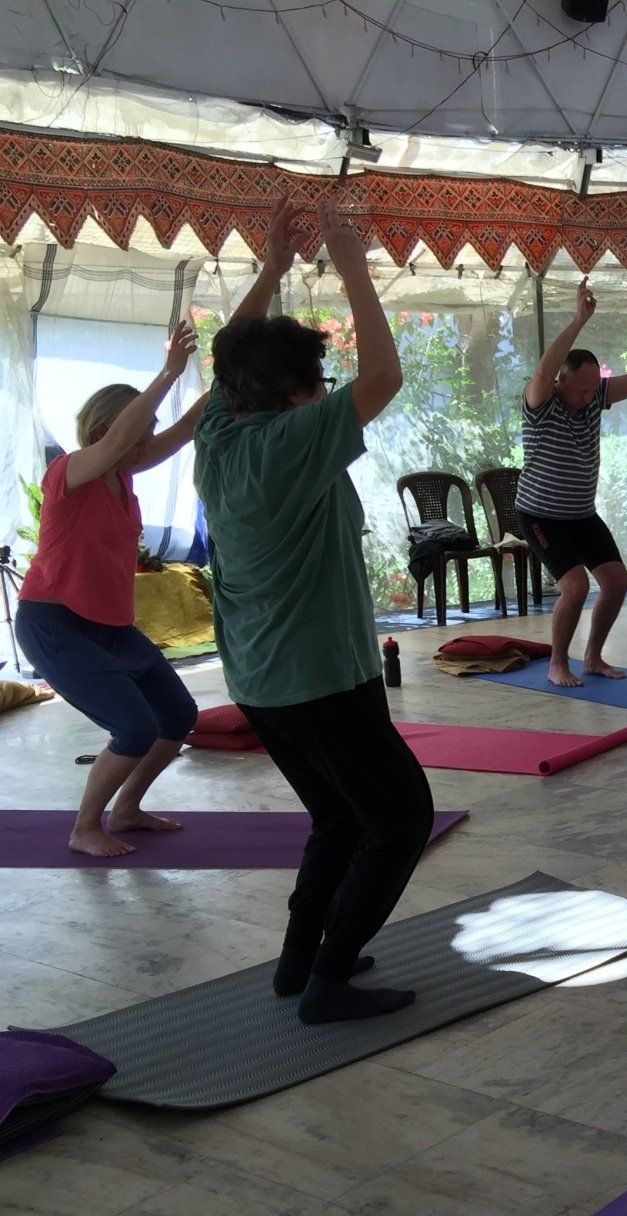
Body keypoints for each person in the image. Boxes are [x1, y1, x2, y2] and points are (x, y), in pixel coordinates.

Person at [195, 195, 426, 1025]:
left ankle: (300, 961)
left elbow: (229, 357)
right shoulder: (288, 442)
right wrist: (352, 263)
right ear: (296, 396)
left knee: (338, 817)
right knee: (400, 821)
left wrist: (273, 268)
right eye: (318, 386)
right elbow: (384, 378)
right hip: (319, 676)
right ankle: (327, 981)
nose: (327, 395)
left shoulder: (219, 434)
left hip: (265, 678)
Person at [16, 324, 205, 857]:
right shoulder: (69, 472)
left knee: (178, 717)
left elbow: (185, 428)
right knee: (134, 728)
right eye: (140, 433)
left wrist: (236, 368)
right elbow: (123, 441)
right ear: (106, 428)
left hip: (110, 628)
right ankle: (84, 828)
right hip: (55, 623)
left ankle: (126, 810)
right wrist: (168, 372)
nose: (146, 443)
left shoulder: (122, 475)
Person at [518, 281, 627, 686]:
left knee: (617, 581)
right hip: (540, 515)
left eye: (594, 391)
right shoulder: (540, 402)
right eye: (582, 391)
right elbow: (543, 370)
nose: (589, 399)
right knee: (575, 587)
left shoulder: (595, 396)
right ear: (562, 382)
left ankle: (592, 658)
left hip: (581, 514)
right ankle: (558, 664)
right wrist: (579, 320)